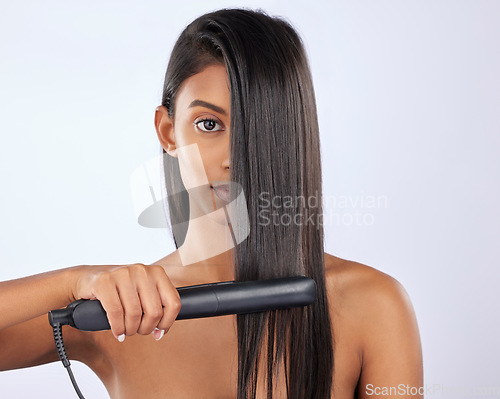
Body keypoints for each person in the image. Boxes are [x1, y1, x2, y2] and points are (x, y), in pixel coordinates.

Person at [0, 8, 423, 399]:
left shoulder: (374, 306)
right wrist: (74, 281)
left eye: (261, 129)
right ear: (168, 132)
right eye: (208, 124)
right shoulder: (113, 315)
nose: (233, 157)